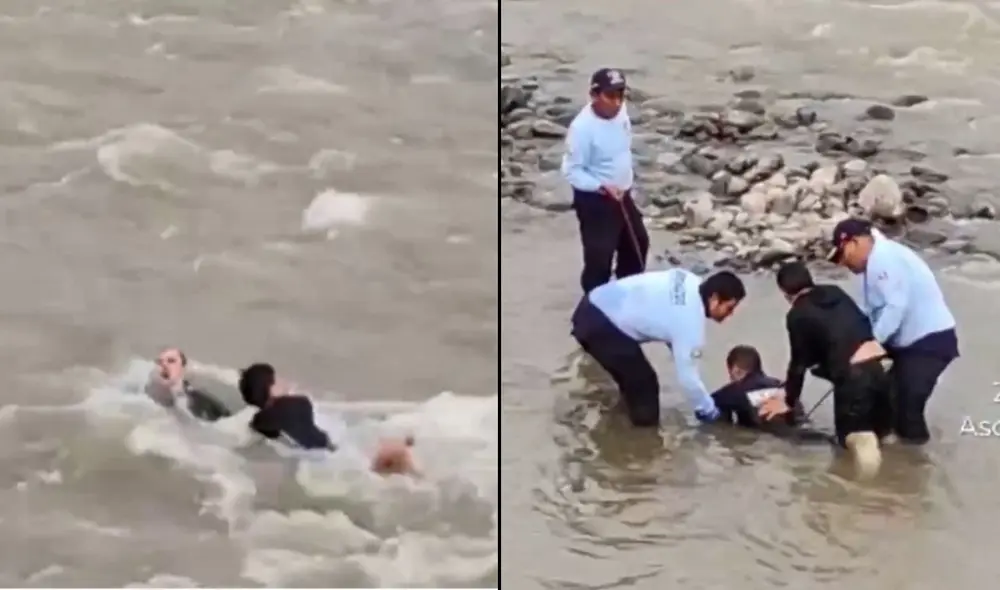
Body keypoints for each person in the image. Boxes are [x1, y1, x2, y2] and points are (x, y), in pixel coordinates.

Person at [827, 218, 959, 445]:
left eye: (842, 255)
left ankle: (918, 460)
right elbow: (872, 310)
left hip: (929, 342)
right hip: (904, 342)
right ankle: (893, 451)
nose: (843, 264)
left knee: (908, 409)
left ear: (854, 243)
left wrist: (875, 343)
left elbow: (896, 305)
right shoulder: (873, 263)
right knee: (887, 400)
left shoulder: (884, 258)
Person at [571, 268, 746, 427]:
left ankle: (619, 422)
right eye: (729, 308)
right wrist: (711, 414)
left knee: (632, 380)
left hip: (591, 304)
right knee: (645, 387)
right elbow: (689, 381)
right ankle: (642, 443)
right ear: (714, 299)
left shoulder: (689, 279)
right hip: (601, 327)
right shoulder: (690, 323)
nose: (730, 314)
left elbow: (671, 322)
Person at [764, 261, 893, 477]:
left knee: (857, 441)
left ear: (785, 292)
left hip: (852, 382)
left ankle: (867, 494)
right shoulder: (835, 292)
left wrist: (788, 401)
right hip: (878, 370)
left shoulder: (797, 315)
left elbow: (798, 363)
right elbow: (853, 329)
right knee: (884, 437)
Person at [238, 363, 416, 476]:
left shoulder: (259, 422)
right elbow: (318, 440)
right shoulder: (295, 404)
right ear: (271, 388)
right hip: (335, 457)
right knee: (403, 451)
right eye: (277, 379)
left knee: (397, 446)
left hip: (320, 462)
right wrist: (336, 449)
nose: (283, 381)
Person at [561, 67, 649, 294]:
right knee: (600, 258)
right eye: (610, 96)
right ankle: (593, 301)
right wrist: (601, 186)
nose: (617, 102)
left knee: (638, 245)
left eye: (620, 95)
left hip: (622, 194)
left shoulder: (621, 112)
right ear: (594, 95)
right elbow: (572, 171)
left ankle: (626, 294)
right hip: (595, 200)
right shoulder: (582, 129)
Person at [145, 348, 232, 422]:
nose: (164, 365)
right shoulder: (146, 396)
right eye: (159, 362)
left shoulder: (203, 403)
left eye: (171, 361)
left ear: (183, 367)